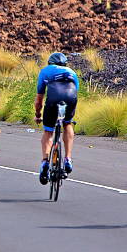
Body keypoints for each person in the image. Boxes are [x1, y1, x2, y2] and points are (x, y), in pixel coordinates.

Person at [35, 52, 80, 184]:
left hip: (53, 100)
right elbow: (74, 93)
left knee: (48, 132)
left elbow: (39, 99)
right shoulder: (72, 72)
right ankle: (68, 159)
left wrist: (38, 114)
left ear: (50, 63)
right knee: (67, 124)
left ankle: (45, 162)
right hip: (70, 98)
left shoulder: (45, 71)